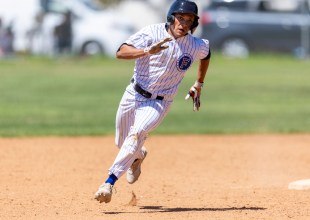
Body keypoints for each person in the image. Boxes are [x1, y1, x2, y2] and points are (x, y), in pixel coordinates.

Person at [94, 0, 211, 204]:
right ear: (171, 17)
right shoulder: (152, 32)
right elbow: (121, 52)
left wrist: (199, 83)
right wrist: (148, 50)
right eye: (180, 18)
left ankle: (108, 183)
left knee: (136, 133)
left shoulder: (195, 45)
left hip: (160, 102)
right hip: (133, 93)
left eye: (189, 20)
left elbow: (207, 54)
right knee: (121, 142)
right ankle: (138, 156)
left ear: (194, 24)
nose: (184, 23)